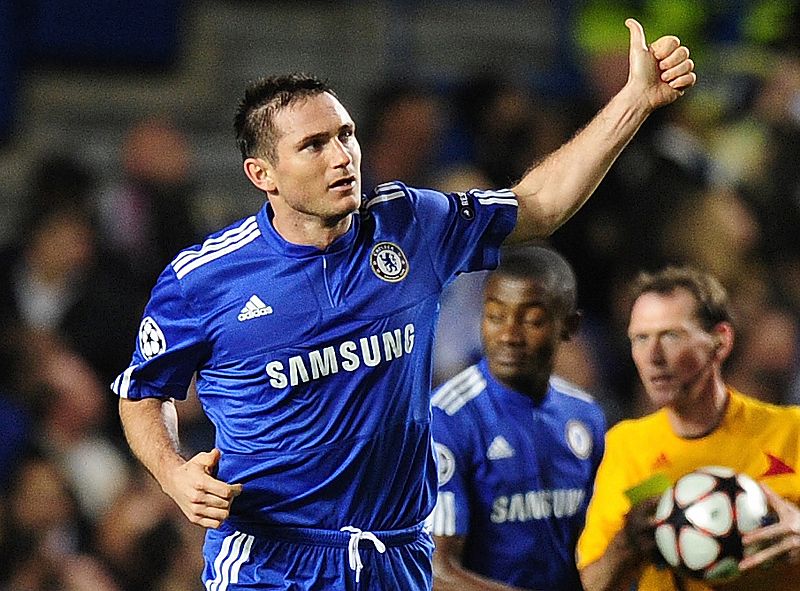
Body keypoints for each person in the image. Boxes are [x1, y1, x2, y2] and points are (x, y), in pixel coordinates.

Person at [112, 18, 695, 590]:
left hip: (396, 556)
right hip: (273, 562)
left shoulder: (410, 222)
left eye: (346, 135)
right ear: (262, 173)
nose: (341, 156)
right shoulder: (204, 279)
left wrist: (635, 102)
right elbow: (141, 394)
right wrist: (172, 472)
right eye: (313, 145)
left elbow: (538, 203)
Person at [576, 266, 800, 591]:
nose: (652, 356)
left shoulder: (791, 430)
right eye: (640, 338)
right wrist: (627, 546)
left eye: (671, 335)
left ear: (720, 342)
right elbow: (591, 585)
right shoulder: (625, 445)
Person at [428, 245, 606, 590]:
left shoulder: (586, 416)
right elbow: (437, 571)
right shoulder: (447, 419)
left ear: (569, 325)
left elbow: (595, 544)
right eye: (495, 316)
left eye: (532, 320)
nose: (509, 335)